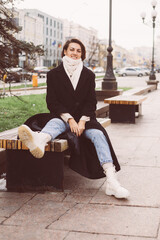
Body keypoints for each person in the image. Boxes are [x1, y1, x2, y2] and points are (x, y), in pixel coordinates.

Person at [18, 38, 130, 199]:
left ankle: (112, 182)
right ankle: (39, 140)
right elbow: (52, 102)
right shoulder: (53, 74)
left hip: (85, 120)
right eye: (72, 49)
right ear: (65, 51)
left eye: (78, 51)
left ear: (82, 54)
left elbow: (91, 102)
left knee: (99, 135)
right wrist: (70, 119)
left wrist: (82, 121)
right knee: (56, 123)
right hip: (62, 117)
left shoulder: (88, 75)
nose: (75, 53)